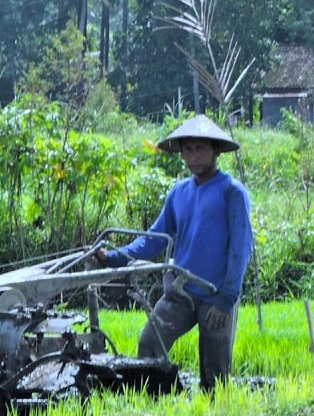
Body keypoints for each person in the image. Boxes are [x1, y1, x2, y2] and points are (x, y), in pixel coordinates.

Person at [96, 114, 254, 390]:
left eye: (200, 149)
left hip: (216, 293)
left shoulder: (232, 192)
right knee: (149, 342)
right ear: (181, 153)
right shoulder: (178, 193)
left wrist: (227, 299)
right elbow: (154, 240)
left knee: (214, 369)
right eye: (188, 149)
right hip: (181, 291)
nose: (194, 156)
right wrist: (113, 257)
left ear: (216, 151)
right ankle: (158, 404)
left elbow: (241, 250)